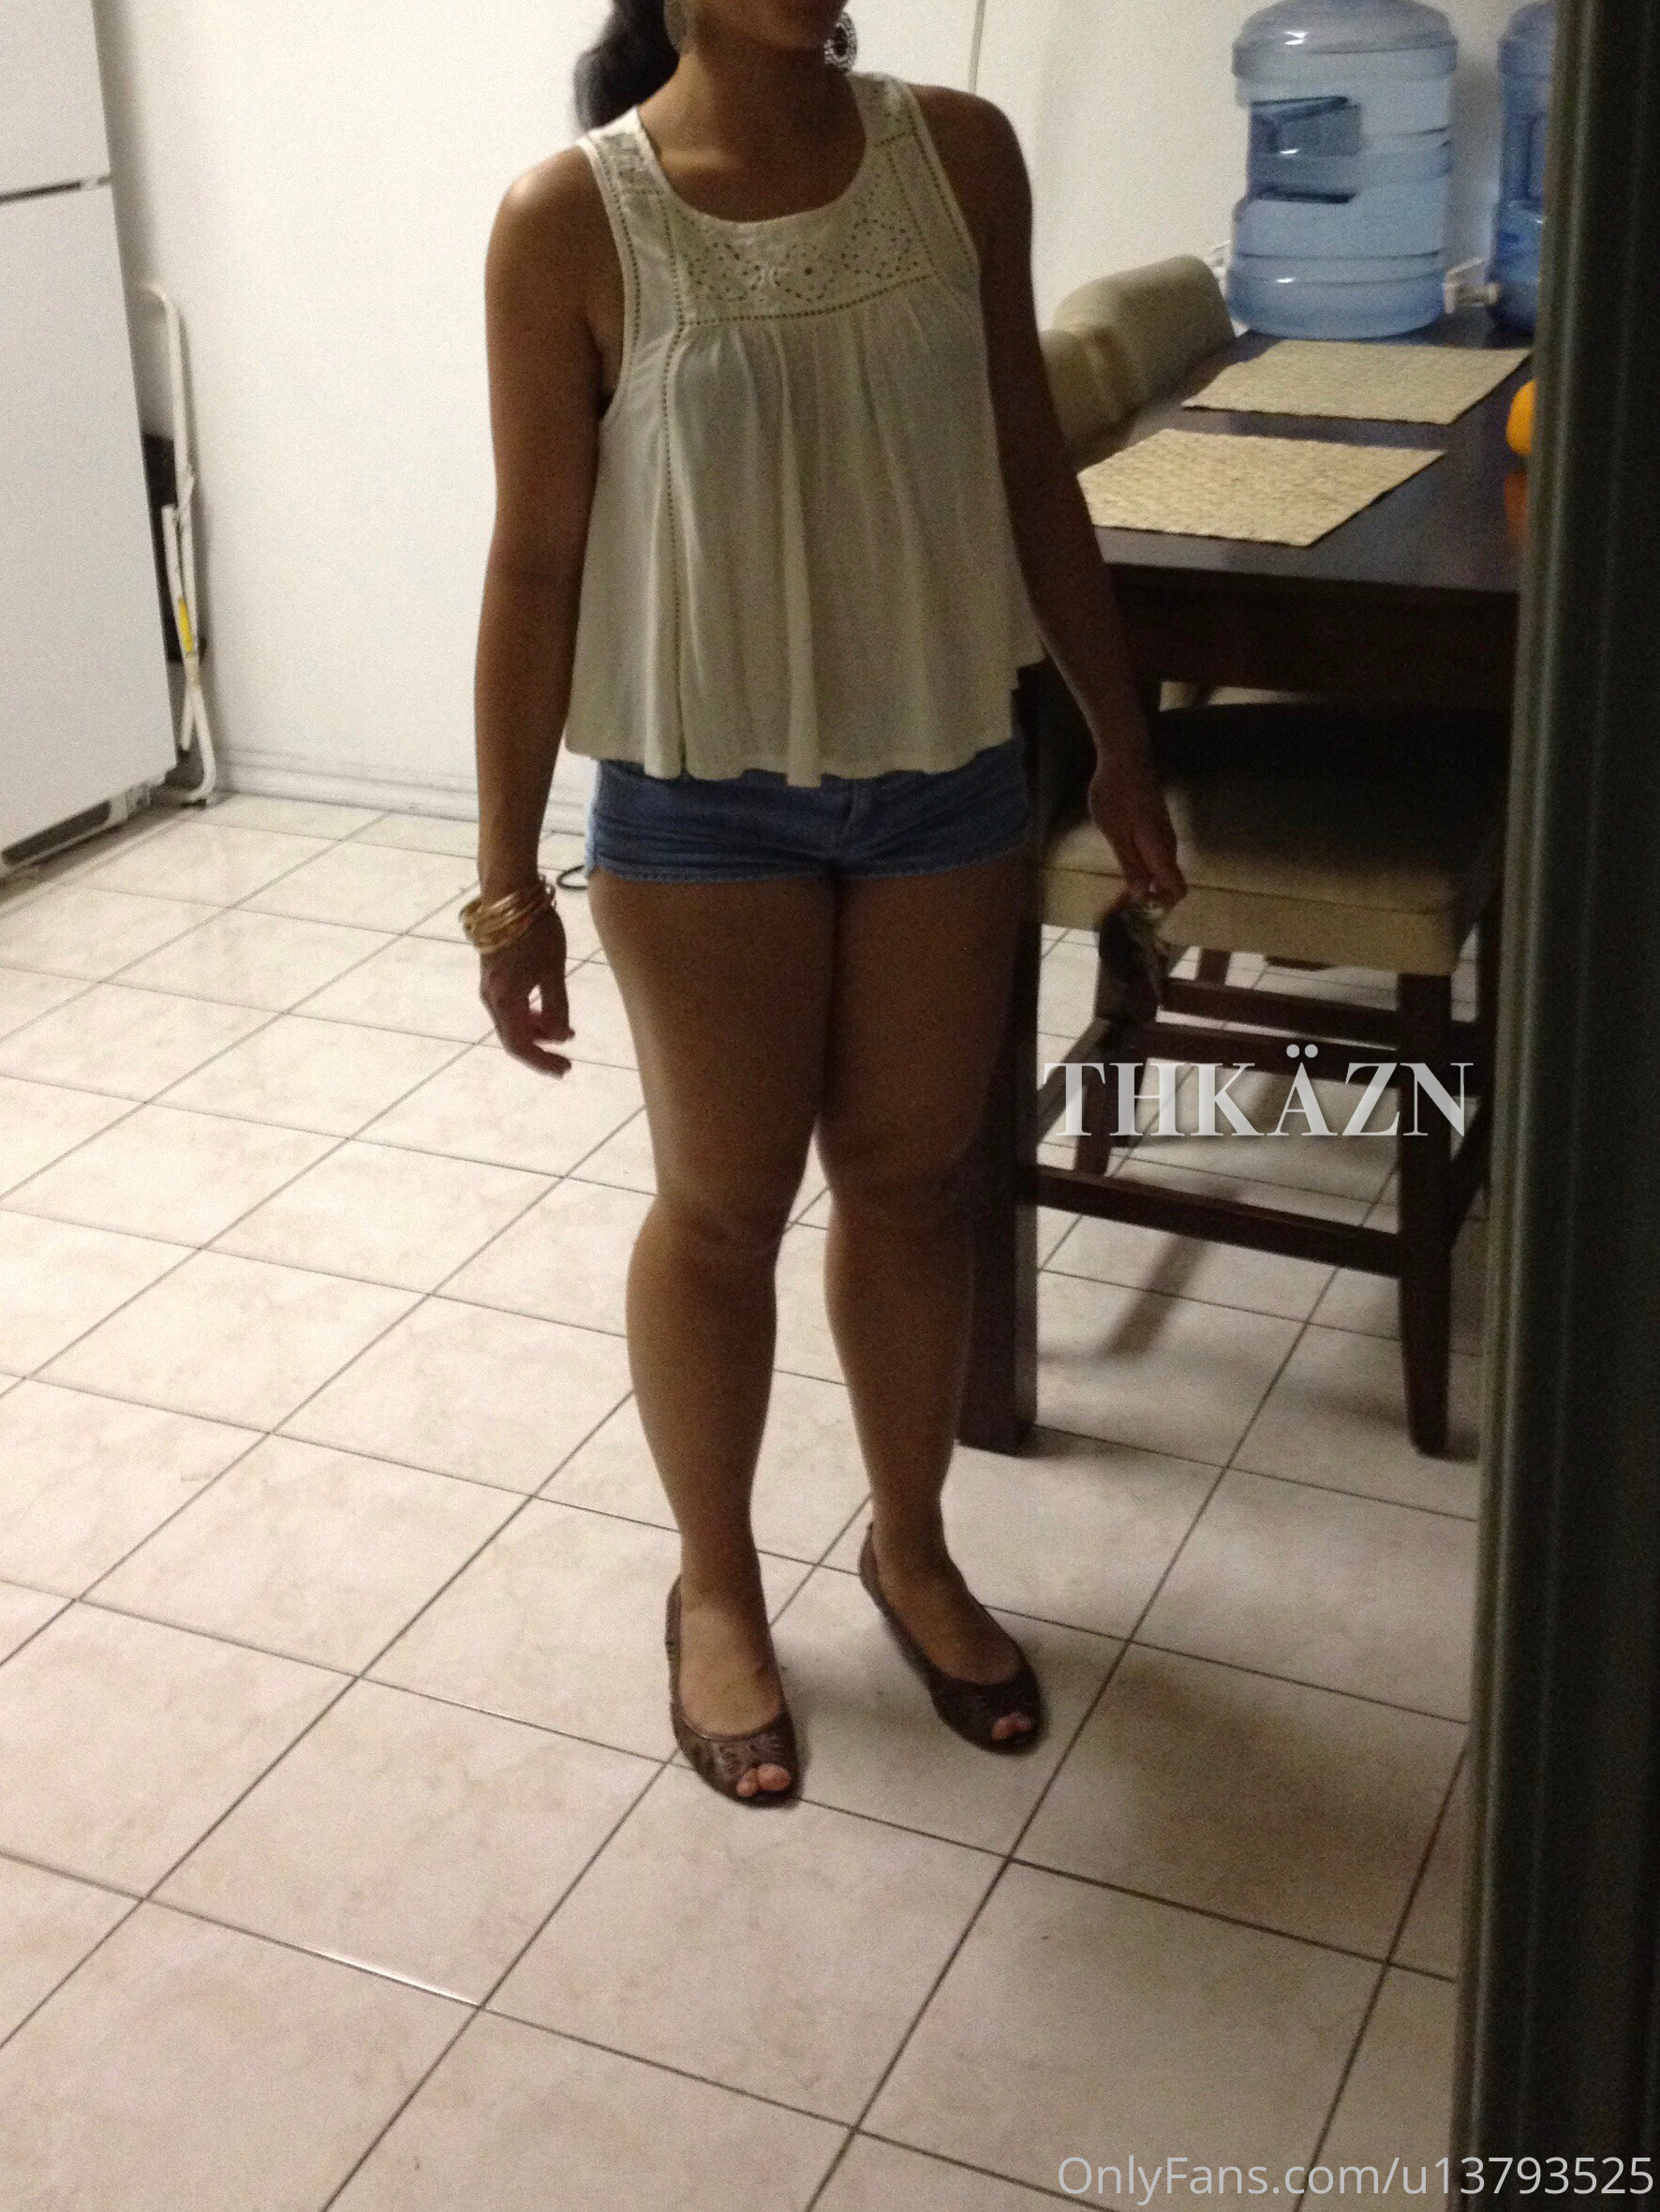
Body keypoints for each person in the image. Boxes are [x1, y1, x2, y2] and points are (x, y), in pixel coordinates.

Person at [468, 0, 1184, 1804]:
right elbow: (535, 561)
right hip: (698, 797)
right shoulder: (571, 217)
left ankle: (910, 1544)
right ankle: (715, 1585)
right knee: (723, 1207)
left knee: (909, 1180)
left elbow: (1029, 465)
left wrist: (1121, 736)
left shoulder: (961, 157)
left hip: (946, 767)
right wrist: (503, 878)